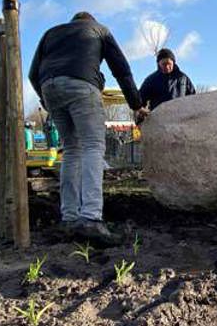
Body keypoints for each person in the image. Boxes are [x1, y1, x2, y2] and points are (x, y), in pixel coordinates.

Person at [29, 12, 148, 244]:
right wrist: (136, 105)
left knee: (71, 149)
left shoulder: (50, 33)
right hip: (82, 85)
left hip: (49, 86)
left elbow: (33, 73)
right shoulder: (99, 30)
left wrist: (45, 97)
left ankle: (69, 217)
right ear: (90, 21)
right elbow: (121, 69)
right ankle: (91, 218)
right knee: (93, 146)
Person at [139, 48, 196, 112]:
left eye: (169, 63)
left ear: (173, 62)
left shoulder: (183, 78)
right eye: (163, 64)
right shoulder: (151, 80)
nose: (167, 67)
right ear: (158, 64)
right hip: (159, 119)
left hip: (180, 117)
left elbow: (193, 99)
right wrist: (141, 116)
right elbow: (140, 100)